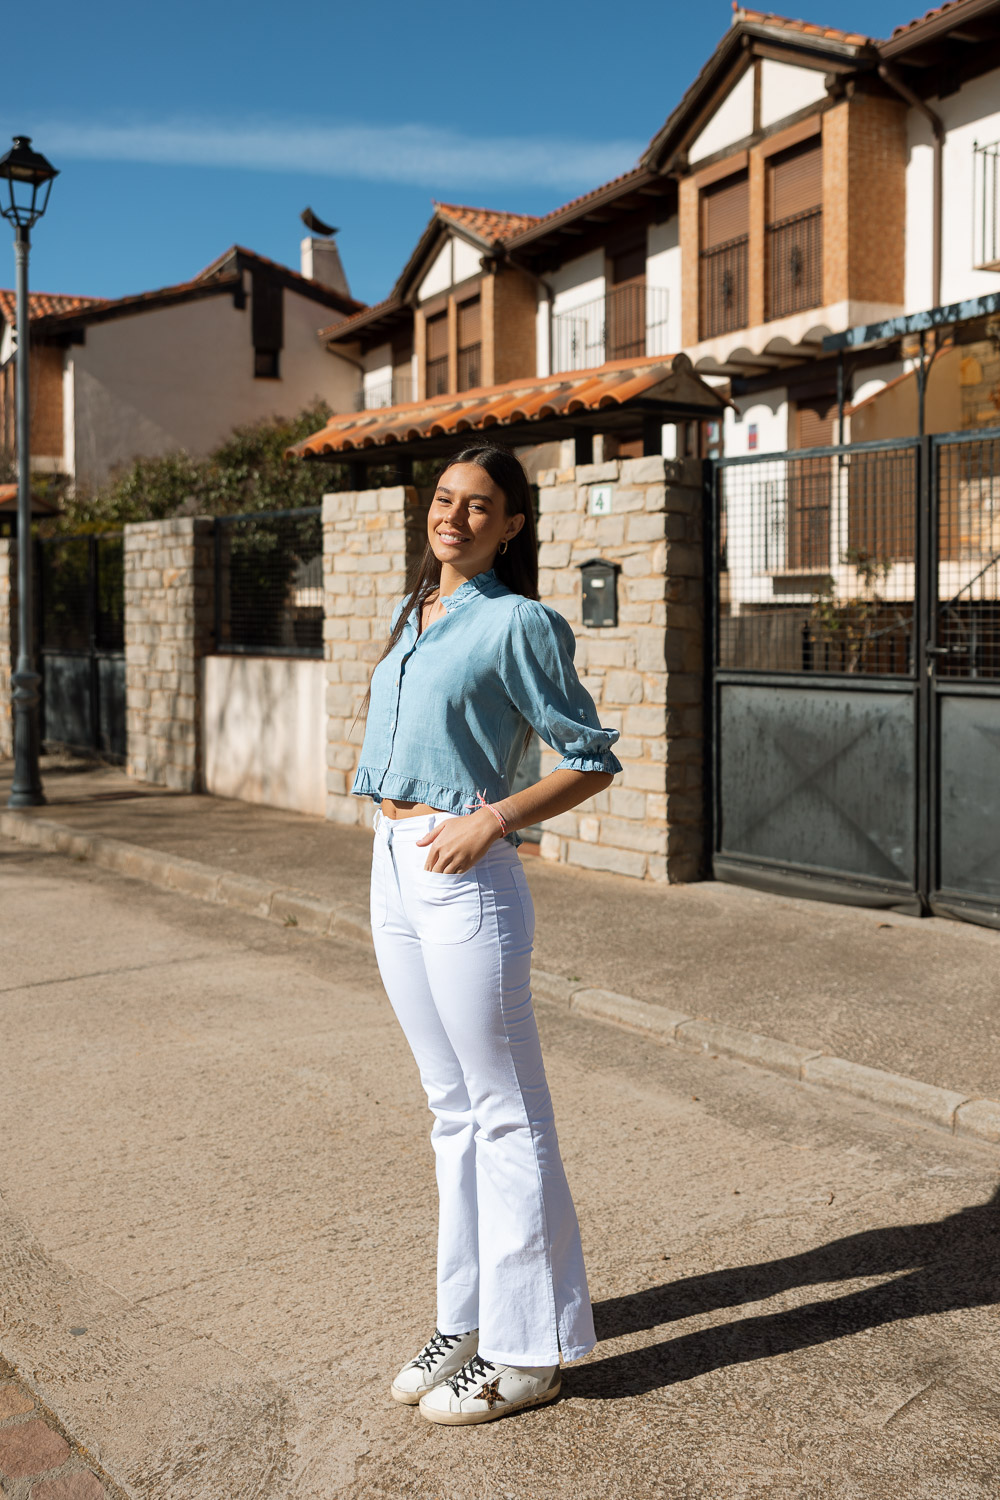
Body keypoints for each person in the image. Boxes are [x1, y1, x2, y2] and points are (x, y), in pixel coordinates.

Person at [352, 443, 622, 1426]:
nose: (454, 517)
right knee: (450, 1109)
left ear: (512, 525)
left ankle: (527, 1355)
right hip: (391, 860)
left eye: (478, 506)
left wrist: (495, 819)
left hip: (465, 868)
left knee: (506, 1114)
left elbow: (591, 758)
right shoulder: (412, 614)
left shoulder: (520, 624)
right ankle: (465, 1317)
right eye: (444, 499)